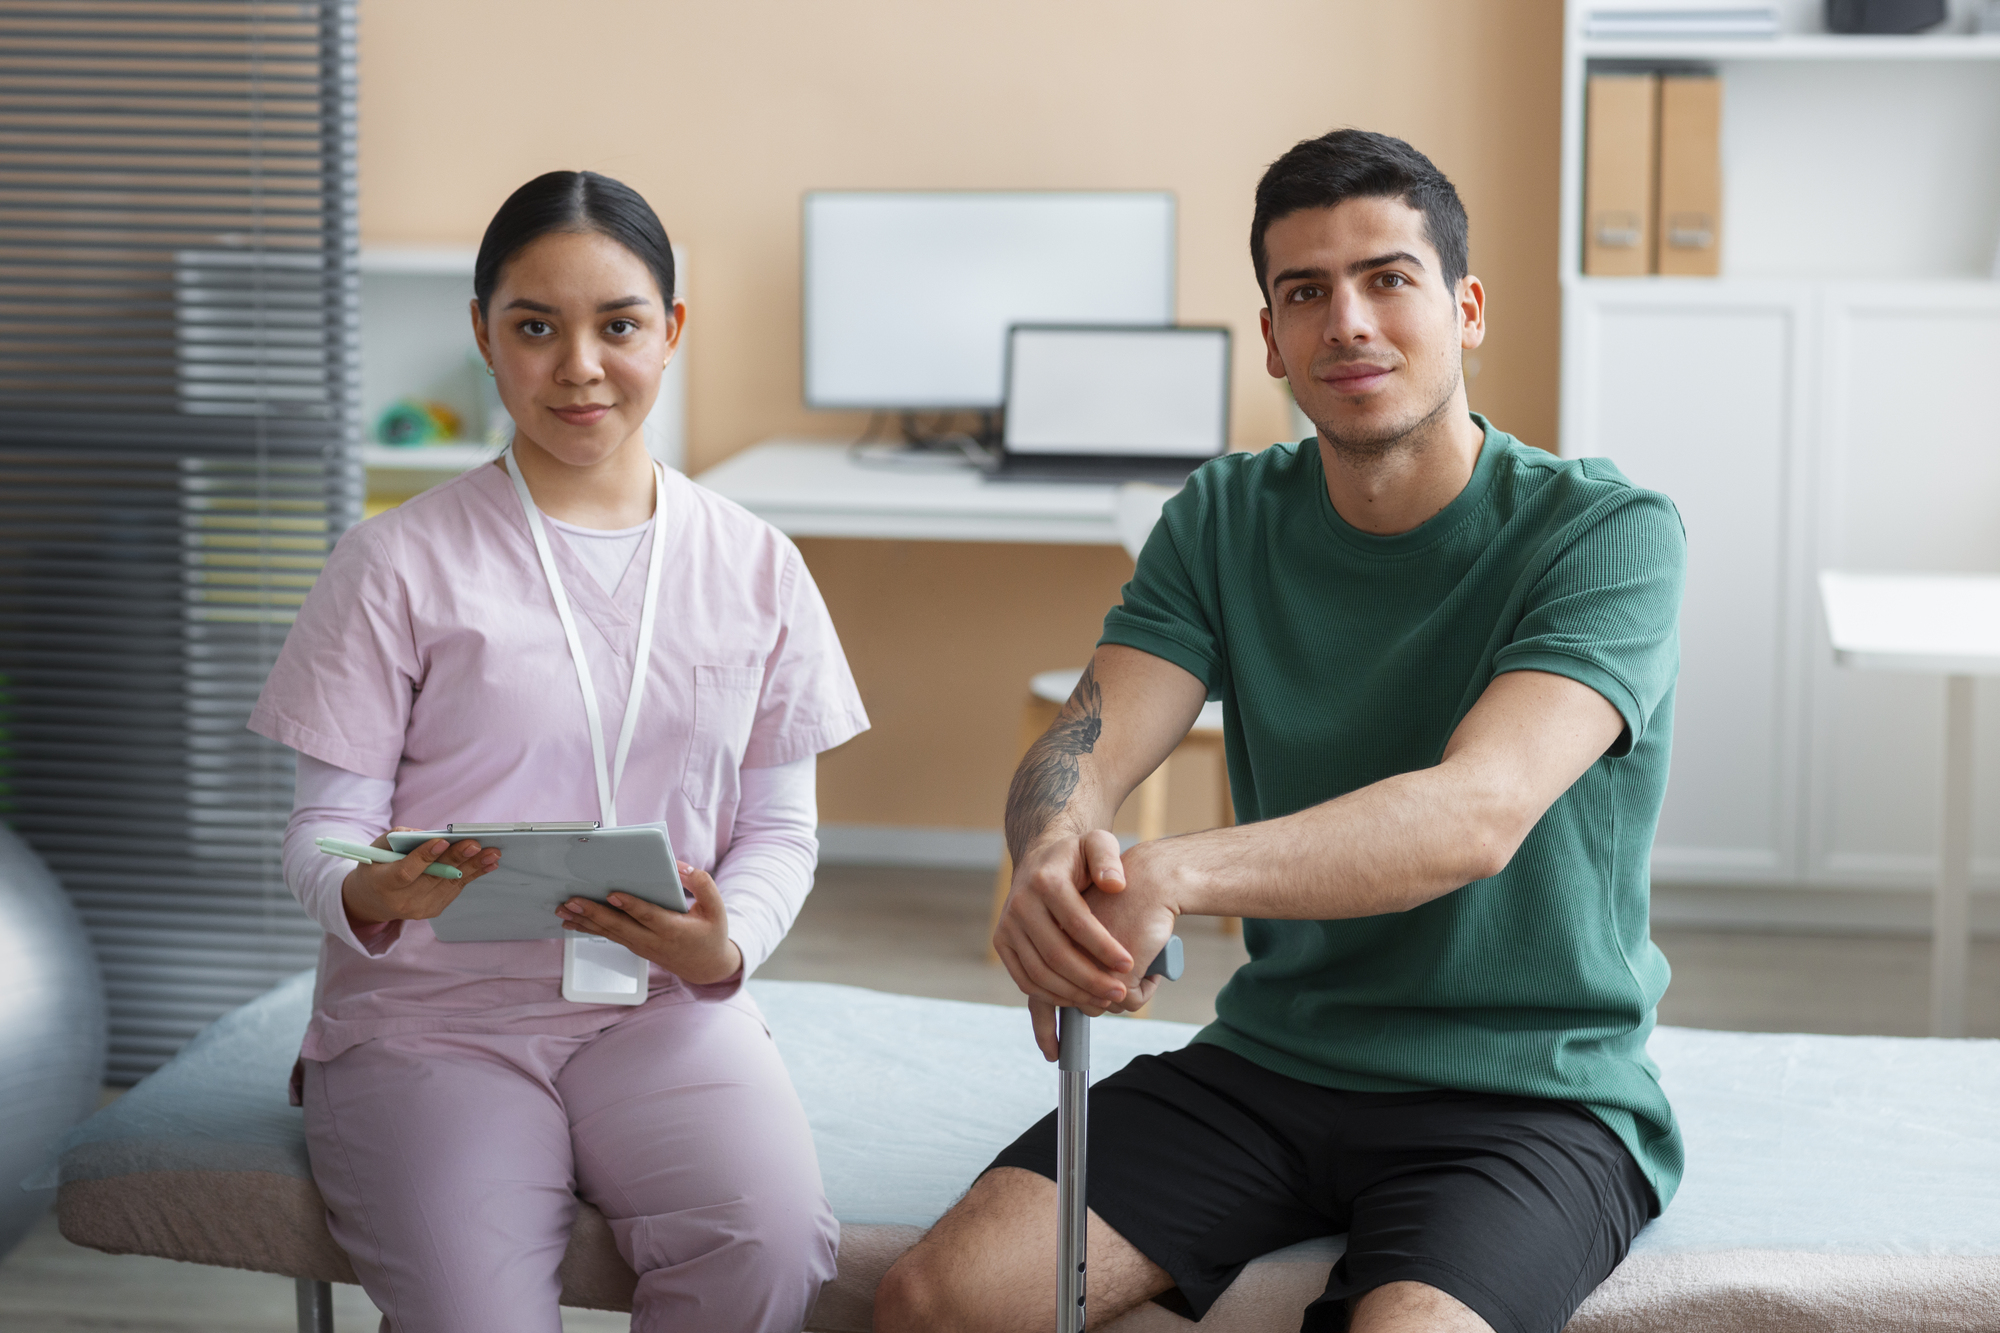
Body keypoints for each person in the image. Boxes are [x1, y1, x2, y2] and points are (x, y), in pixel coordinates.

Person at [877, 129, 1686, 1333]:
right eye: (1303, 292)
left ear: (1464, 309)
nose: (1345, 320)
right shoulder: (1220, 515)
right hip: (1274, 1064)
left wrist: (1173, 871)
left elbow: (1473, 813)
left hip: (1530, 1093)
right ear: (1270, 337)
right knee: (934, 1302)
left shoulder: (1605, 532)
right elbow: (1087, 737)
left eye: (1386, 279)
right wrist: (1052, 851)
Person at [250, 170, 868, 1333]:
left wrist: (722, 941)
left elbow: (780, 826)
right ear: (484, 335)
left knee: (769, 1250)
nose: (579, 366)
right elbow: (320, 830)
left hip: (659, 1004)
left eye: (618, 325)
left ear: (671, 332)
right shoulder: (391, 564)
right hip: (429, 1019)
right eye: (535, 327)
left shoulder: (756, 565)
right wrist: (369, 886)